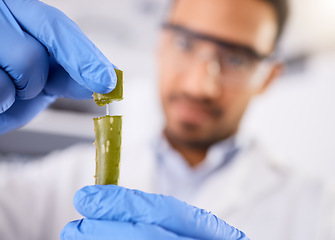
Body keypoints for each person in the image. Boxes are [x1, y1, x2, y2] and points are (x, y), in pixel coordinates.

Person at [0, 0, 334, 240]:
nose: (200, 85)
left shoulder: (319, 210)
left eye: (236, 58)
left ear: (268, 77)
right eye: (186, 43)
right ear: (160, 45)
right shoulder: (56, 180)